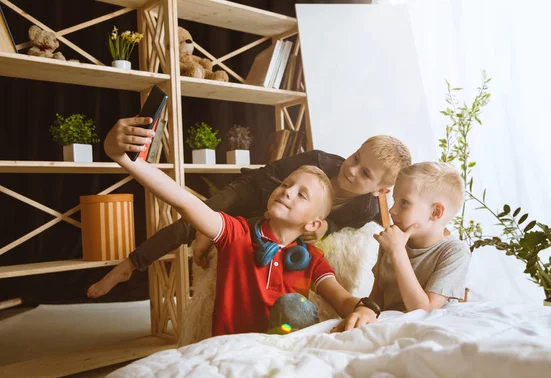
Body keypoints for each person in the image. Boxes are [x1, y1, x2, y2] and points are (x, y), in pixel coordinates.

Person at [102, 120, 380, 335]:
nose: (287, 191)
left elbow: (342, 299)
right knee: (194, 222)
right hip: (235, 351)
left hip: (283, 355)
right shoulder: (238, 235)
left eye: (301, 194)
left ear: (314, 223)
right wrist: (127, 159)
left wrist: (365, 308)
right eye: (286, 185)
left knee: (294, 308)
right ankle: (133, 262)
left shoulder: (312, 260)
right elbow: (185, 202)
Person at [333, 162, 471, 332]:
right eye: (395, 201)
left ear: (435, 212)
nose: (392, 210)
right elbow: (377, 298)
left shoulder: (454, 252)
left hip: (428, 331)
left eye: (404, 202)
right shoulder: (392, 241)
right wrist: (364, 313)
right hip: (390, 326)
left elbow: (425, 312)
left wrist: (397, 252)